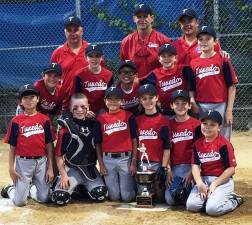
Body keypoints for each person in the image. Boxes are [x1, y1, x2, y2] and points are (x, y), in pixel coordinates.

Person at [1, 84, 54, 206]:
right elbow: (12, 147)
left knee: (45, 198)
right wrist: (11, 168)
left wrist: (50, 167)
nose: (29, 101)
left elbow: (49, 145)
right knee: (19, 202)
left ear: (38, 99)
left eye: (32, 97)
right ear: (20, 102)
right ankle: (11, 189)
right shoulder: (16, 121)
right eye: (25, 98)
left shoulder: (44, 119)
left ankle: (29, 189)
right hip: (23, 163)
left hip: (41, 162)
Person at [51, 93, 107, 205]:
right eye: (75, 107)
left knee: (100, 194)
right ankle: (36, 188)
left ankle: (81, 187)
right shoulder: (66, 128)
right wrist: (63, 175)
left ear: (88, 107)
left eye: (83, 107)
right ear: (70, 108)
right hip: (72, 169)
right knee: (60, 197)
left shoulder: (94, 124)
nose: (79, 110)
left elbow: (98, 146)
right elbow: (58, 155)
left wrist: (101, 165)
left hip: (90, 169)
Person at [186, 110, 244, 216]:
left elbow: (231, 169)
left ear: (219, 127)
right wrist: (200, 184)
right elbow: (195, 166)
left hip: (222, 181)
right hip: (205, 180)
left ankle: (233, 200)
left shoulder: (224, 144)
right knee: (191, 206)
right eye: (204, 124)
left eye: (212, 125)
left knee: (212, 210)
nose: (207, 127)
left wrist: (215, 184)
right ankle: (210, 200)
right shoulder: (197, 144)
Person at [187, 26, 238, 140]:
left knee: (223, 138)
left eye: (207, 39)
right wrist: (192, 101)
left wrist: (229, 110)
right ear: (197, 42)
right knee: (204, 137)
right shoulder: (193, 63)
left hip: (221, 104)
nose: (204, 42)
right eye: (200, 39)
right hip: (201, 106)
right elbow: (191, 88)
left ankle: (225, 158)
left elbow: (232, 86)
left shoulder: (222, 59)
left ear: (215, 42)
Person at [51, 16, 104, 111]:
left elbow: (103, 75)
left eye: (76, 30)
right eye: (69, 30)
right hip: (67, 105)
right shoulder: (58, 53)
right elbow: (53, 79)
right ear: (65, 32)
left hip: (92, 104)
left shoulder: (92, 51)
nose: (73, 33)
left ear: (82, 31)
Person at [94, 86, 137, 202]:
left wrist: (133, 161)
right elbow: (98, 143)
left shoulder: (129, 116)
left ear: (122, 101)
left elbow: (134, 139)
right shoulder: (100, 119)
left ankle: (136, 189)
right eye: (110, 99)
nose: (113, 102)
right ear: (105, 101)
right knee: (114, 197)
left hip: (125, 159)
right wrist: (101, 164)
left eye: (116, 99)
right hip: (108, 160)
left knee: (126, 197)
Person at [164, 90, 202, 206]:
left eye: (184, 103)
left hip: (192, 166)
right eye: (177, 103)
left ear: (189, 105)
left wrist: (192, 172)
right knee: (170, 200)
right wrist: (168, 170)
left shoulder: (197, 125)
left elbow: (200, 151)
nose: (180, 106)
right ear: (172, 106)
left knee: (186, 198)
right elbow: (166, 149)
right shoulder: (168, 125)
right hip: (175, 167)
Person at [136, 84, 171, 201]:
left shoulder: (164, 121)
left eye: (151, 97)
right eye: (144, 99)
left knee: (160, 197)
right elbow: (134, 143)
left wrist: (164, 167)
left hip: (157, 164)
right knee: (144, 196)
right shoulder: (137, 120)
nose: (148, 101)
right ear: (140, 101)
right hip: (142, 164)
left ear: (156, 98)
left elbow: (167, 146)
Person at [120, 3, 171, 80]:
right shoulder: (126, 42)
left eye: (145, 16)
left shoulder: (163, 40)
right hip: (135, 85)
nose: (142, 20)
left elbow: (171, 66)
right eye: (139, 17)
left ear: (152, 18)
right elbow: (124, 68)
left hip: (158, 85)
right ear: (134, 18)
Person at [141, 44, 188, 117]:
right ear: (159, 59)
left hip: (182, 111)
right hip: (164, 112)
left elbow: (193, 86)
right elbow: (142, 84)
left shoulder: (184, 70)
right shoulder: (155, 74)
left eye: (170, 56)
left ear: (175, 57)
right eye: (163, 56)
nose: (166, 59)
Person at [71, 44, 113, 115]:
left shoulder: (109, 75)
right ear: (85, 58)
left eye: (97, 56)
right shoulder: (79, 75)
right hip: (83, 111)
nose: (94, 59)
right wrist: (84, 111)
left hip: (102, 111)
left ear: (102, 57)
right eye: (90, 56)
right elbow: (76, 97)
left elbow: (110, 97)